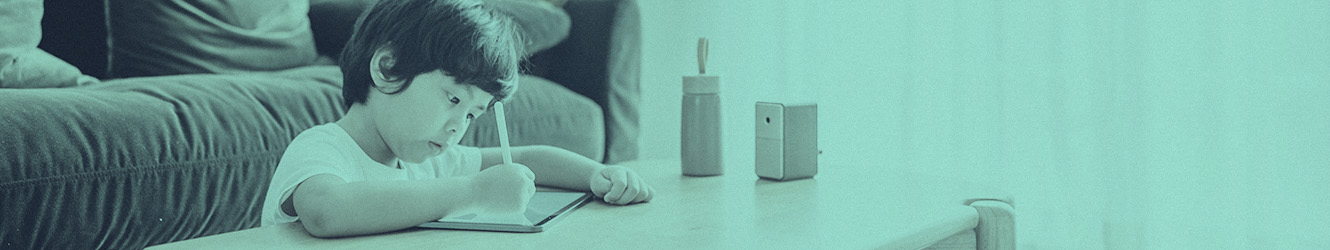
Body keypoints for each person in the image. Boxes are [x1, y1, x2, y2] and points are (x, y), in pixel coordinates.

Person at [260, 0, 653, 237]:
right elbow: (327, 210)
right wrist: (475, 192)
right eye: (453, 99)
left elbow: (531, 160)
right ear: (388, 68)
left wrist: (597, 175)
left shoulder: (432, 161)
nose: (458, 126)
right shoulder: (323, 148)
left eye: (471, 114)